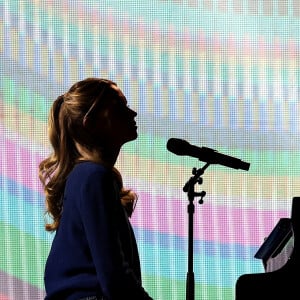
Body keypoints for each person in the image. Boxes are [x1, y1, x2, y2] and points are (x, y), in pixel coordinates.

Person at [39, 78, 153, 300]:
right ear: (90, 122)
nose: (133, 114)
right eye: (119, 106)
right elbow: (114, 278)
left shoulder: (87, 177)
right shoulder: (92, 177)